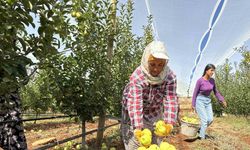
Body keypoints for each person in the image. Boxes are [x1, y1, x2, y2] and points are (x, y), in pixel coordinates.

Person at [121, 41, 178, 149]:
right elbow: (135, 103)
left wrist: (169, 123)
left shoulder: (170, 77)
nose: (156, 69)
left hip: (154, 111)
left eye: (160, 65)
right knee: (135, 143)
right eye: (152, 64)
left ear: (165, 64)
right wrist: (137, 127)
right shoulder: (137, 76)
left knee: (155, 142)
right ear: (146, 61)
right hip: (133, 112)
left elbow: (171, 99)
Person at [192, 64, 227, 140]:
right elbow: (195, 93)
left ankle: (200, 130)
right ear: (206, 70)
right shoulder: (200, 80)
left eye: (213, 71)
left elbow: (216, 92)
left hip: (208, 101)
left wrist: (222, 99)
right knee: (204, 120)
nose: (212, 72)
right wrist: (193, 104)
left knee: (210, 119)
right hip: (200, 100)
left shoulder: (212, 81)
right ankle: (201, 138)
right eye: (211, 70)